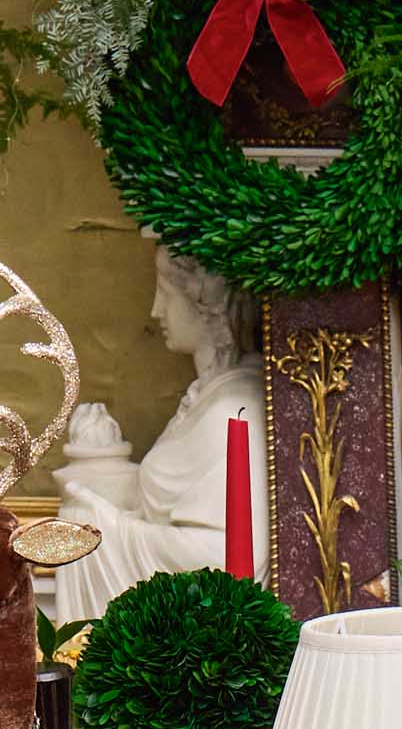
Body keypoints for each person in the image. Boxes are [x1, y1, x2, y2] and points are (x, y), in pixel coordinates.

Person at [53, 250, 267, 617]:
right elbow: (163, 508)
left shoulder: (232, 409)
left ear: (207, 304)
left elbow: (217, 560)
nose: (155, 310)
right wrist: (102, 462)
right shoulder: (206, 395)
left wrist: (104, 530)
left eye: (166, 293)